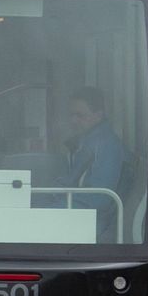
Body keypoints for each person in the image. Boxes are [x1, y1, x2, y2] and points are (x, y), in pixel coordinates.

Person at [62, 87, 126, 241]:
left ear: (98, 115)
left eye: (79, 115)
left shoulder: (107, 146)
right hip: (80, 216)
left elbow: (99, 198)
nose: (73, 121)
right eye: (71, 115)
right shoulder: (86, 143)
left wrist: (51, 208)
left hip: (94, 225)